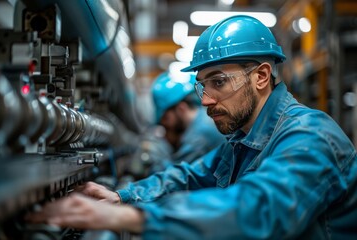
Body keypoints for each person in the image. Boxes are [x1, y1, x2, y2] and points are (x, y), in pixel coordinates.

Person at [27, 15, 357, 239]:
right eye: (202, 86)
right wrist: (121, 197)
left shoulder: (311, 136)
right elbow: (189, 177)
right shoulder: (242, 139)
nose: (205, 101)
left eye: (219, 82)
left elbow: (260, 209)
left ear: (261, 76)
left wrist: (135, 219)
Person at [146, 71, 225, 171]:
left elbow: (176, 176)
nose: (165, 124)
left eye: (166, 117)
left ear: (181, 108)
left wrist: (157, 156)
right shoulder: (201, 119)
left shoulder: (200, 135)